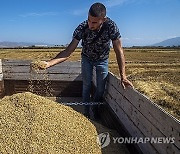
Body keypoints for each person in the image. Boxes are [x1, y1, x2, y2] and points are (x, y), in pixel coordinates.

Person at [41, 2, 133, 118]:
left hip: (102, 60)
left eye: (94, 22)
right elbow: (68, 51)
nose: (90, 24)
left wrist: (123, 76)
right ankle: (85, 112)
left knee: (100, 89)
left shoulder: (111, 26)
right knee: (86, 85)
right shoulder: (82, 27)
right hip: (86, 58)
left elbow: (119, 50)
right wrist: (48, 63)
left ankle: (94, 109)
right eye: (89, 20)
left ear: (103, 20)